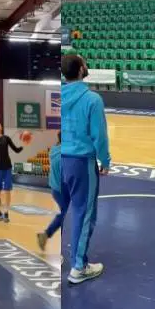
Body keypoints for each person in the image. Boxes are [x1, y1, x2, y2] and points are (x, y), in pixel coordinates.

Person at [61, 54, 111, 284]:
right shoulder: (92, 99)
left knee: (59, 210)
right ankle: (78, 267)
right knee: (83, 212)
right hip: (80, 162)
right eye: (85, 63)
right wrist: (105, 161)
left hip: (58, 160)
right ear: (81, 69)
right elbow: (99, 136)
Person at [37, 131, 67, 252]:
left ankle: (48, 235)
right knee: (66, 214)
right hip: (61, 189)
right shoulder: (63, 154)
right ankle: (46, 234)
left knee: (65, 214)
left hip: (55, 189)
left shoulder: (54, 150)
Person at [0, 122, 23, 223]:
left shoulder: (6, 138)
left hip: (7, 167)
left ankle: (6, 212)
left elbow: (16, 150)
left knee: (7, 191)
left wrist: (23, 146)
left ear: (1, 128)